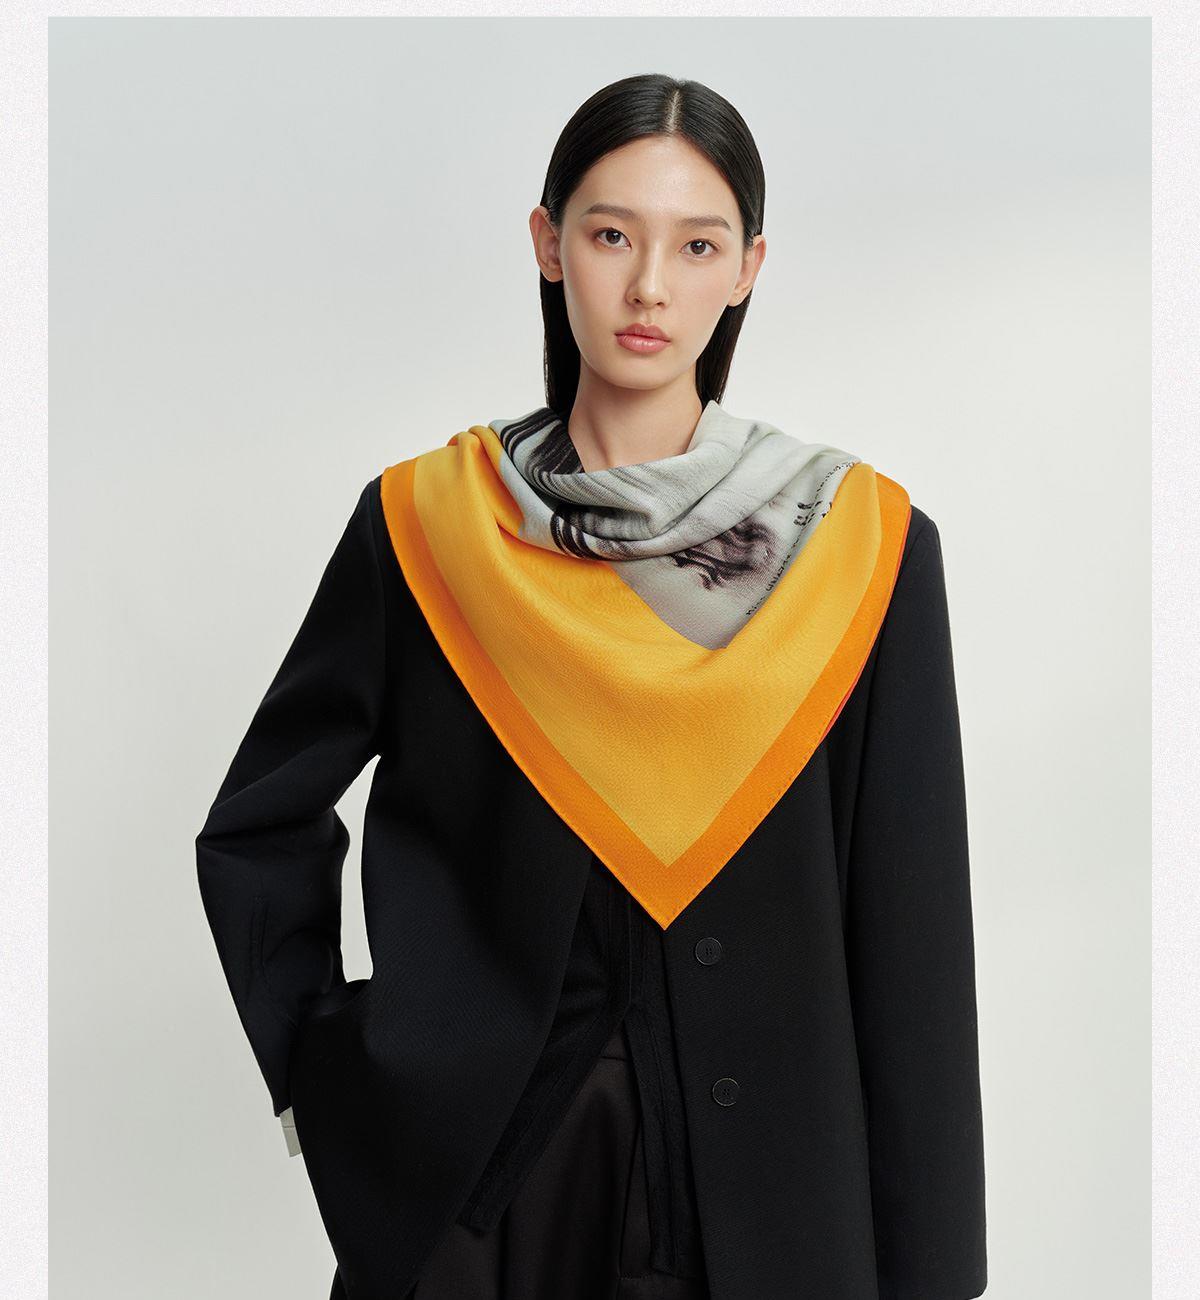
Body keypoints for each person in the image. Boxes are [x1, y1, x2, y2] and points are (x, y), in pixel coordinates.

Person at [196, 73, 987, 1300]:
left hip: (772, 1215)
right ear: (548, 243)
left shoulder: (859, 547)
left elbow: (911, 933)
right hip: (477, 1205)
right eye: (613, 234)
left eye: (698, 245)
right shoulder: (431, 528)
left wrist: (932, 1269)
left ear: (749, 268)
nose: (650, 286)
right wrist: (327, 1065)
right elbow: (258, 821)